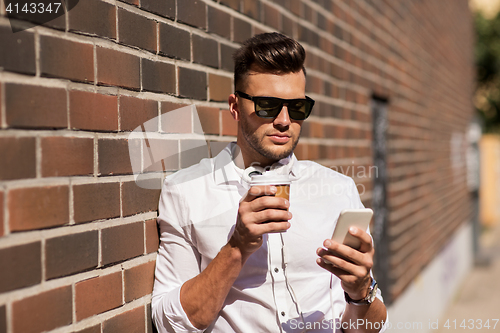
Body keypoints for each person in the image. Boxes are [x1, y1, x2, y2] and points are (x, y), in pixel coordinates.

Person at [152, 32, 388, 333]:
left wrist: (361, 292)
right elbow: (168, 323)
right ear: (235, 107)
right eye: (267, 105)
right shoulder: (187, 191)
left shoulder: (337, 189)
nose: (284, 120)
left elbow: (370, 327)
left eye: (297, 107)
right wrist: (237, 247)